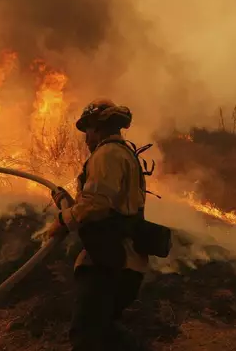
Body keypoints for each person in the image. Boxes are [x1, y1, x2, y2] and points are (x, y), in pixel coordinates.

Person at [48, 99, 151, 350]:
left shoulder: (107, 155)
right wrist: (68, 203)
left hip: (110, 261)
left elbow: (97, 205)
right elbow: (103, 203)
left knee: (86, 336)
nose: (85, 139)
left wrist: (62, 220)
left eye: (88, 131)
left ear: (98, 127)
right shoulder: (122, 154)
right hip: (122, 260)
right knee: (106, 332)